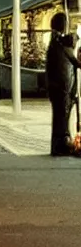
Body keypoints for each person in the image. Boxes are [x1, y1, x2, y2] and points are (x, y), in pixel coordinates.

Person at [46, 12, 80, 156]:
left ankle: (60, 144)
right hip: (62, 88)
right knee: (62, 117)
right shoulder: (61, 43)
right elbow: (76, 62)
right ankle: (60, 145)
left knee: (61, 117)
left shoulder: (55, 42)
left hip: (58, 87)